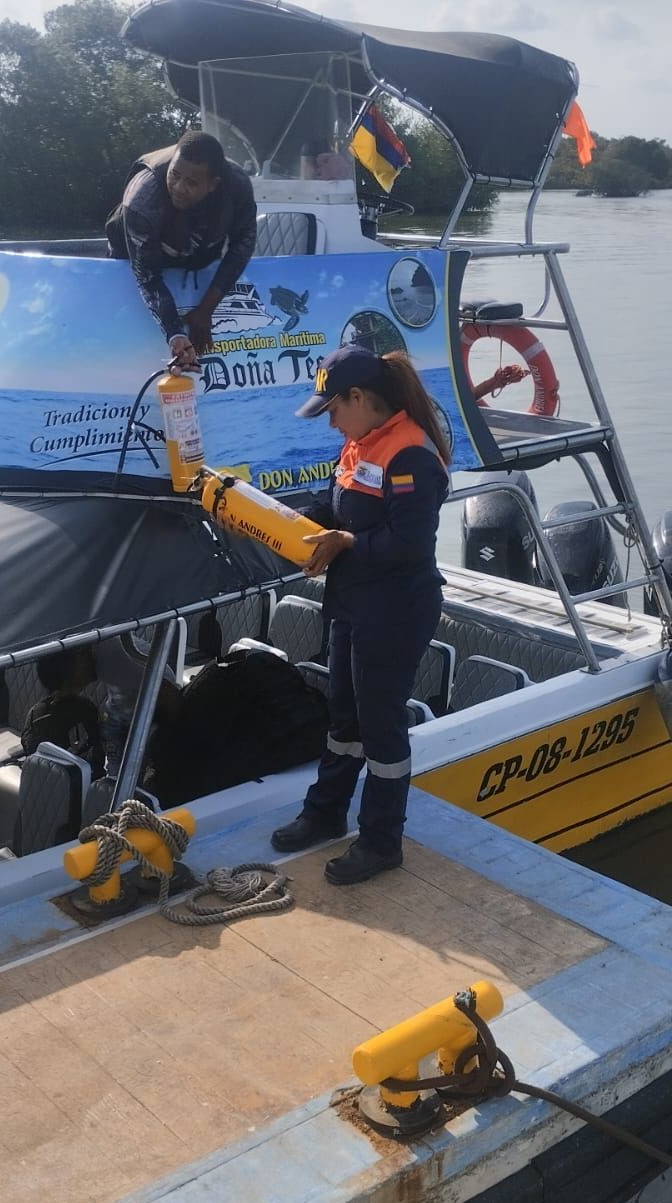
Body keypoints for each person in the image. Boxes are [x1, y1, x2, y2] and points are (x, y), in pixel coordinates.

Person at [269, 344, 451, 884]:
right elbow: (340, 507)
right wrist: (298, 521)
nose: (331, 424)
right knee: (344, 714)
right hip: (352, 602)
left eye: (333, 411)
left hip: (395, 609)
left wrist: (346, 542)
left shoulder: (410, 455)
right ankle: (325, 811)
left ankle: (379, 840)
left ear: (359, 397)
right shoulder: (359, 443)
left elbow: (409, 543)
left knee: (380, 725)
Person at [106, 130, 257, 371]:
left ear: (213, 184)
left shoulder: (237, 186)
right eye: (174, 175)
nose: (178, 187)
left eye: (191, 183)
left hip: (197, 247)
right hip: (138, 251)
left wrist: (206, 309)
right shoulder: (143, 198)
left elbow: (242, 247)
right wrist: (176, 335)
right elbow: (148, 277)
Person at [20, 647, 103, 770]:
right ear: (68, 672)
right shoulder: (85, 710)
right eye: (82, 656)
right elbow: (97, 756)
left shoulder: (36, 712)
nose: (91, 659)